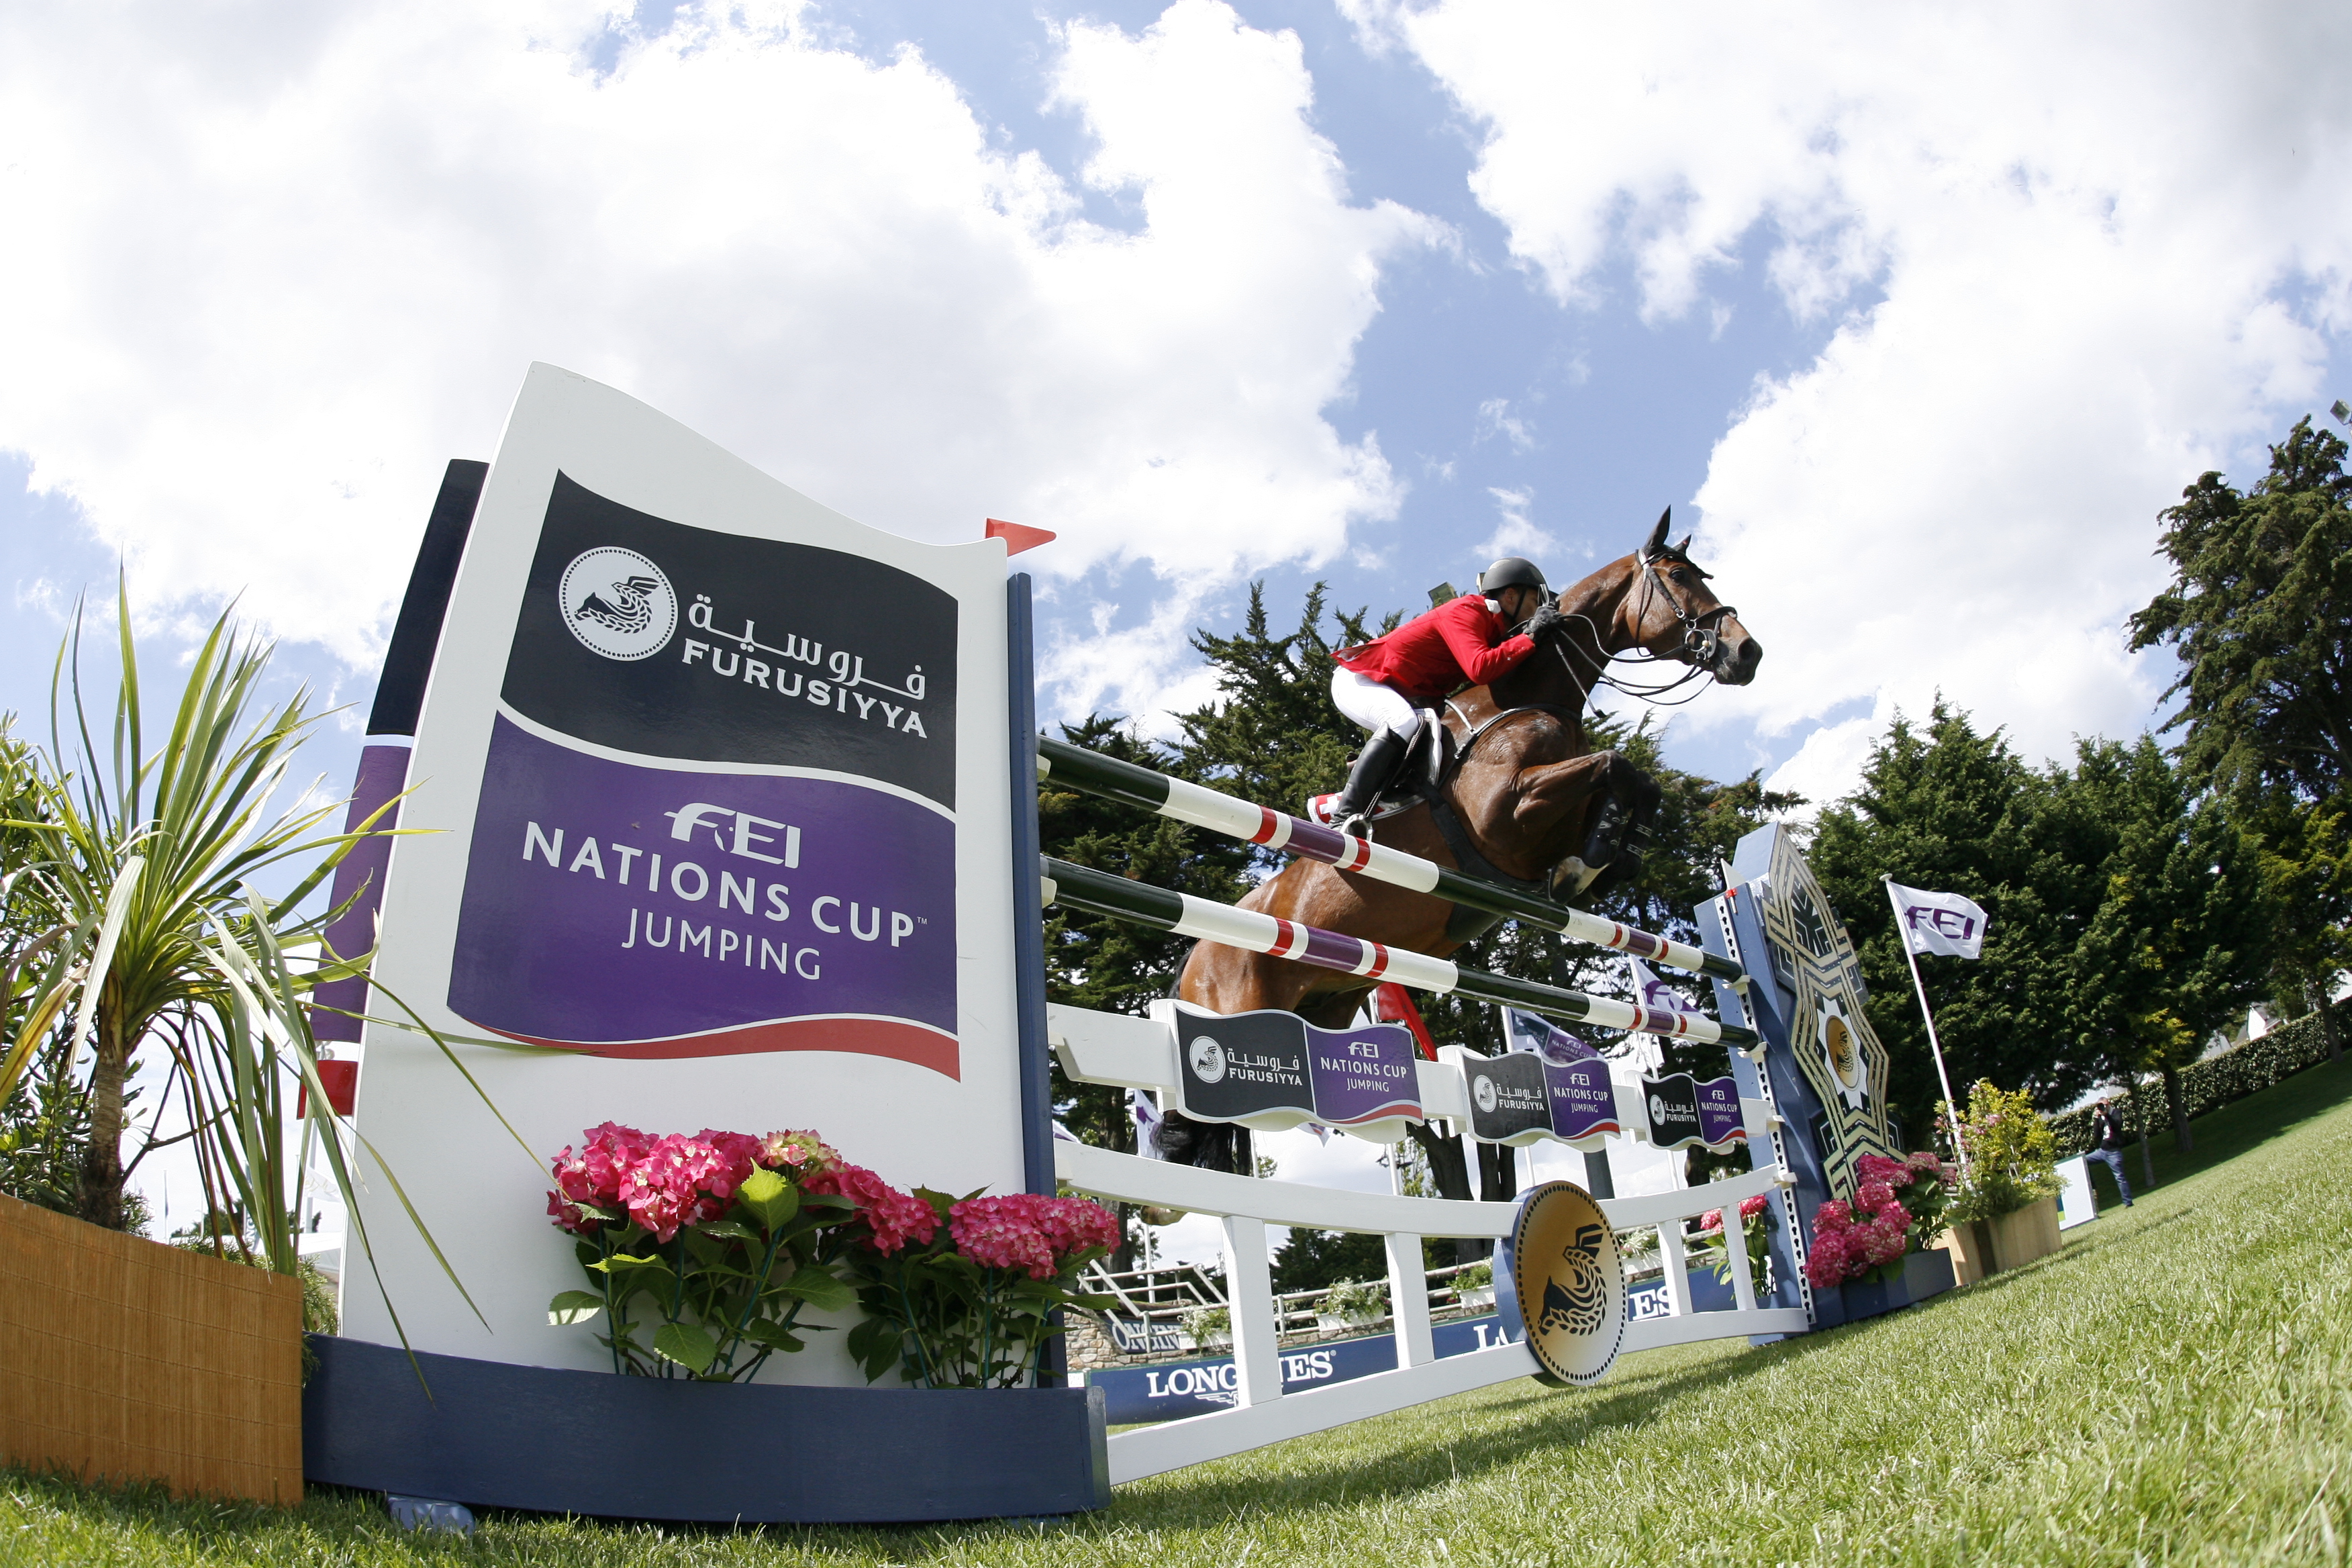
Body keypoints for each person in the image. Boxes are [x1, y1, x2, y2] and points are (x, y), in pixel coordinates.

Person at [1324, 557, 1560, 834]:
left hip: (1403, 693)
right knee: (1402, 723)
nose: (1536, 610)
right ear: (1510, 596)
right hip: (1360, 680)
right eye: (1534, 600)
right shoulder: (1467, 610)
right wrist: (1531, 637)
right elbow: (1481, 669)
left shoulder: (1495, 631)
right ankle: (1343, 817)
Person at [2088, 1095, 2134, 1208]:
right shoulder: (2100, 1118)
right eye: (2102, 1106)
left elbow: (2117, 1126)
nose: (2104, 1107)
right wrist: (2095, 1119)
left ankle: (2128, 1202)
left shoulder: (2116, 1113)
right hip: (2102, 1151)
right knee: (2083, 1162)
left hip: (2114, 1152)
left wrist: (2106, 1115)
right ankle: (2094, 1188)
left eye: (2106, 1105)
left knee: (2119, 1177)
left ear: (2109, 1104)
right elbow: (2097, 1135)